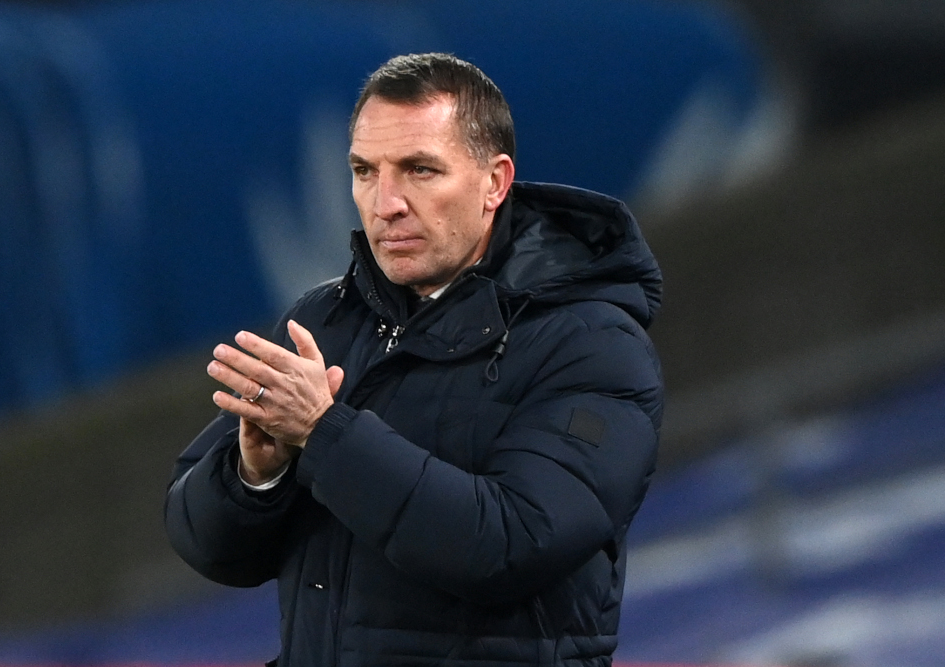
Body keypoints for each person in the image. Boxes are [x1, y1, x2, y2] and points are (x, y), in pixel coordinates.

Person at [165, 52, 663, 667]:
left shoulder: (592, 342)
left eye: (419, 170)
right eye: (364, 171)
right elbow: (204, 543)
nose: (387, 202)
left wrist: (324, 434)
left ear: (495, 182)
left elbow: (512, 544)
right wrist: (255, 476)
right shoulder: (327, 318)